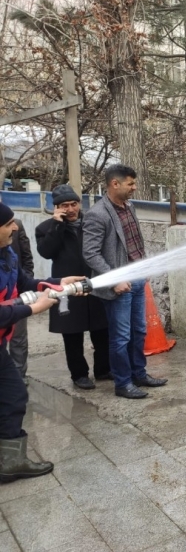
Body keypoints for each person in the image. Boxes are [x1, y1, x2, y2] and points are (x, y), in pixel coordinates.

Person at [0, 202, 87, 482]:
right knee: (12, 396)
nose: (14, 227)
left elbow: (25, 281)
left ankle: (10, 461)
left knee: (14, 396)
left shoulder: (7, 254)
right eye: (8, 224)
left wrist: (58, 282)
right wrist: (32, 309)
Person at [82, 165, 167, 399]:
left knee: (139, 331)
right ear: (115, 184)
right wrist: (115, 280)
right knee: (121, 337)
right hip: (119, 286)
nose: (134, 187)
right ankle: (123, 383)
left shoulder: (130, 207)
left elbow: (135, 242)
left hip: (137, 279)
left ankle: (139, 373)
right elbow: (90, 254)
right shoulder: (97, 214)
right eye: (130, 183)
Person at [36, 185, 111, 390]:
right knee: (72, 333)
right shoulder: (45, 228)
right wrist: (56, 225)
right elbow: (46, 252)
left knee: (102, 329)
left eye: (73, 204)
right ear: (56, 208)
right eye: (64, 206)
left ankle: (103, 369)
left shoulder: (91, 223)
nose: (70, 209)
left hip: (94, 282)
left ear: (79, 204)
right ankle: (79, 375)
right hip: (66, 287)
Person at [9, 218, 34, 384]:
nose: (13, 227)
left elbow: (26, 257)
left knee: (18, 337)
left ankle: (19, 376)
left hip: (17, 292)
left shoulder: (15, 224)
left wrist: (27, 283)